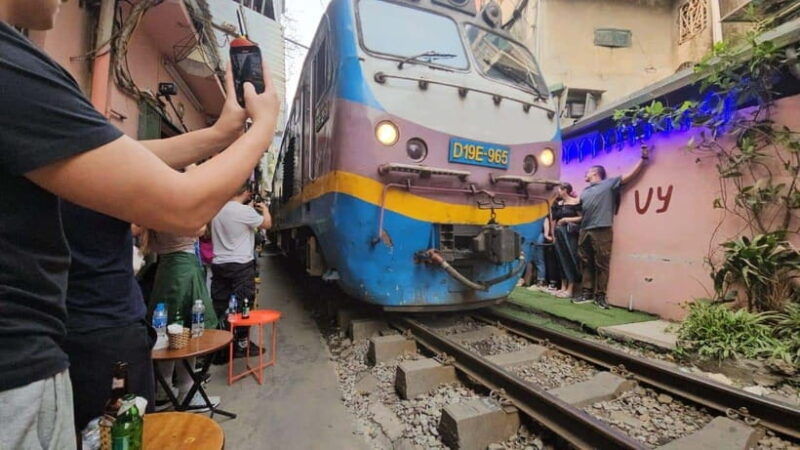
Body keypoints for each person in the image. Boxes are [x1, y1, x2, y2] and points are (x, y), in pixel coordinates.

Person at [0, 2, 279, 447]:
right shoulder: (11, 66)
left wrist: (222, 134)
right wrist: (263, 127)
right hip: (19, 375)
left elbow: (129, 158)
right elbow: (185, 208)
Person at [146, 227, 219, 410]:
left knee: (165, 331)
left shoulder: (155, 211)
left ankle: (164, 391)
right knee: (188, 330)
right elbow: (201, 229)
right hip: (184, 267)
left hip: (166, 268)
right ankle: (187, 392)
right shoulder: (177, 209)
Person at [572, 147, 650, 308]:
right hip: (585, 229)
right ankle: (586, 293)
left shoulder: (609, 184)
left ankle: (600, 296)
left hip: (602, 228)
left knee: (602, 263)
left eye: (587, 172)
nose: (584, 175)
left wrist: (643, 159)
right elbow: (577, 205)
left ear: (595, 173)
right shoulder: (585, 191)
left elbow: (629, 176)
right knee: (585, 261)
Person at [210, 185, 271, 355]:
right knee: (244, 304)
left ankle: (221, 344)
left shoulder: (216, 210)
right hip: (241, 265)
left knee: (220, 304)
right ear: (245, 192)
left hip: (220, 264)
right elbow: (267, 224)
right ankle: (242, 344)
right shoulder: (245, 212)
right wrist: (264, 209)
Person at [550, 183, 583, 298]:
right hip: (559, 234)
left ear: (565, 190)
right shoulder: (558, 204)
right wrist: (553, 235)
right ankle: (563, 287)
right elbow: (553, 220)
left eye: (559, 189)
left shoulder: (575, 202)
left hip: (570, 233)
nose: (557, 192)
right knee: (560, 259)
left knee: (570, 258)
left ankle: (570, 289)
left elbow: (582, 217)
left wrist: (566, 219)